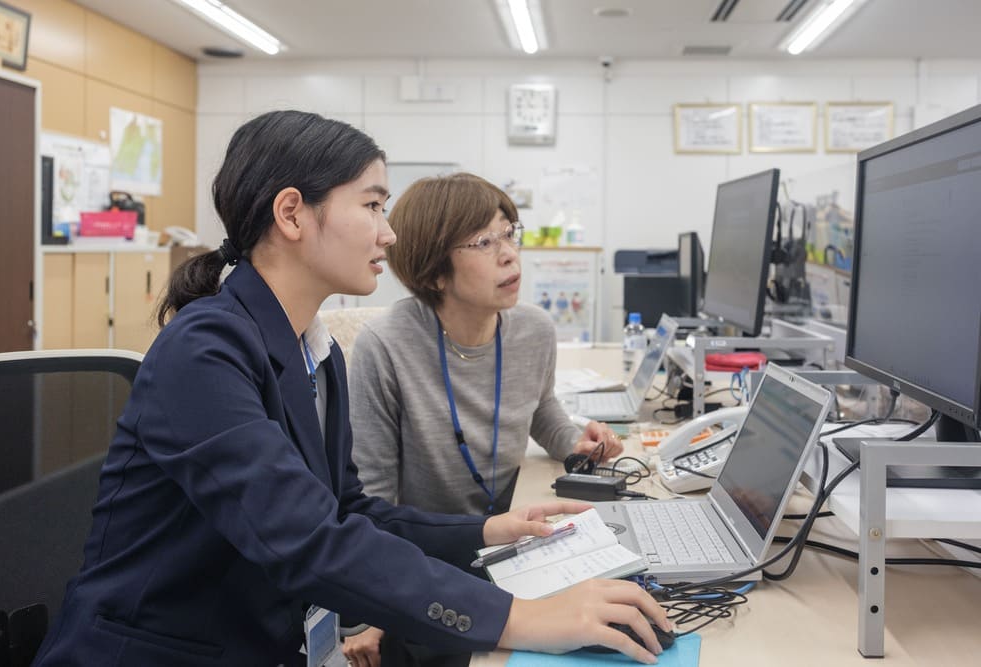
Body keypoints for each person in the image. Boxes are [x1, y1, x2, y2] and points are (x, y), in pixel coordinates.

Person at [33, 112, 669, 666]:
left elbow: (348, 511)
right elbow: (308, 541)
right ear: (292, 214)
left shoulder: (316, 350)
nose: (387, 234)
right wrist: (521, 617)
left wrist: (486, 532)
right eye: (371, 206)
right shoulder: (204, 352)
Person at [345, 173, 626, 666]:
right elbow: (372, 502)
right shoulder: (385, 346)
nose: (509, 253)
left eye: (509, 233)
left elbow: (540, 409)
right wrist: (375, 615)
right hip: (431, 560)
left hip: (517, 540)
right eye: (483, 242)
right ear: (434, 273)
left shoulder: (533, 330)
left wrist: (572, 442)